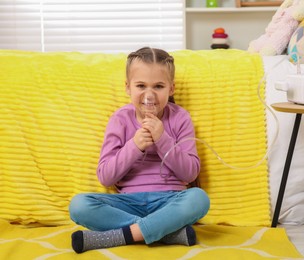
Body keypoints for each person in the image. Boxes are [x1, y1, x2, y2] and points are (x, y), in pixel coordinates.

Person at [68, 47, 210, 254]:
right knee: (79, 205)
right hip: (127, 202)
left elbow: (190, 174)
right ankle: (166, 233)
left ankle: (124, 235)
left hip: (170, 200)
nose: (149, 95)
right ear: (128, 87)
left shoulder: (180, 118)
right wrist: (134, 146)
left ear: (171, 89)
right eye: (141, 85)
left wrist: (163, 140)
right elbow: (106, 177)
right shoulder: (120, 119)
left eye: (159, 86)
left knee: (199, 199)